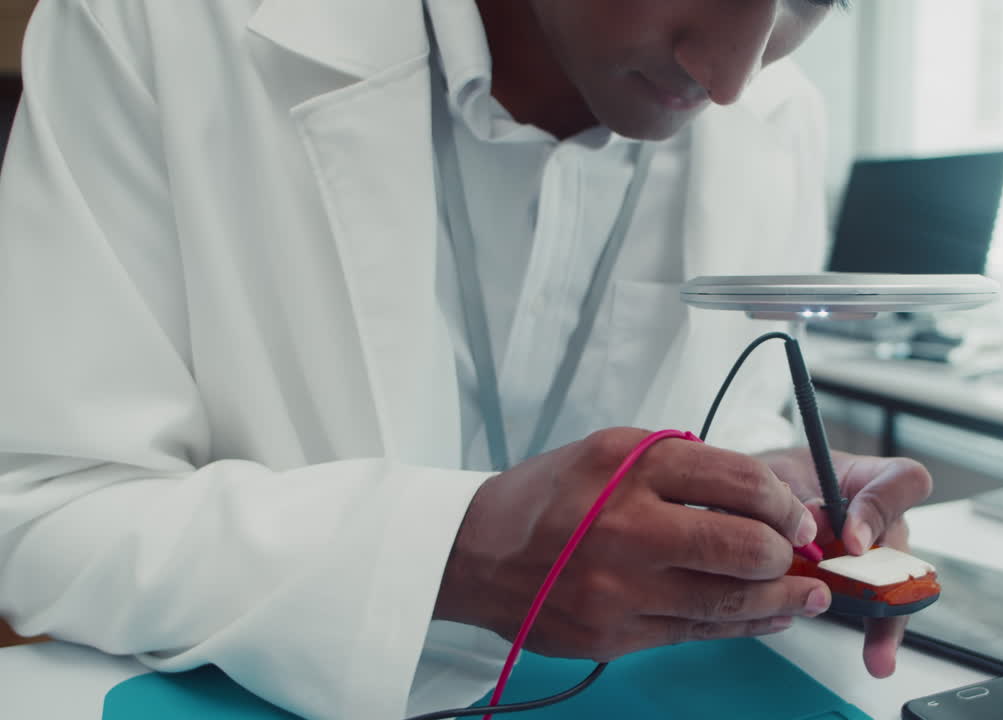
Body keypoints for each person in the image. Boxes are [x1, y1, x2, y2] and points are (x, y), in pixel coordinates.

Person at [0, 1, 931, 718]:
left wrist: (773, 493)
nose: (731, 75)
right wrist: (453, 553)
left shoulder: (779, 113)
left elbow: (739, 407)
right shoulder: (159, 28)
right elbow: (43, 507)